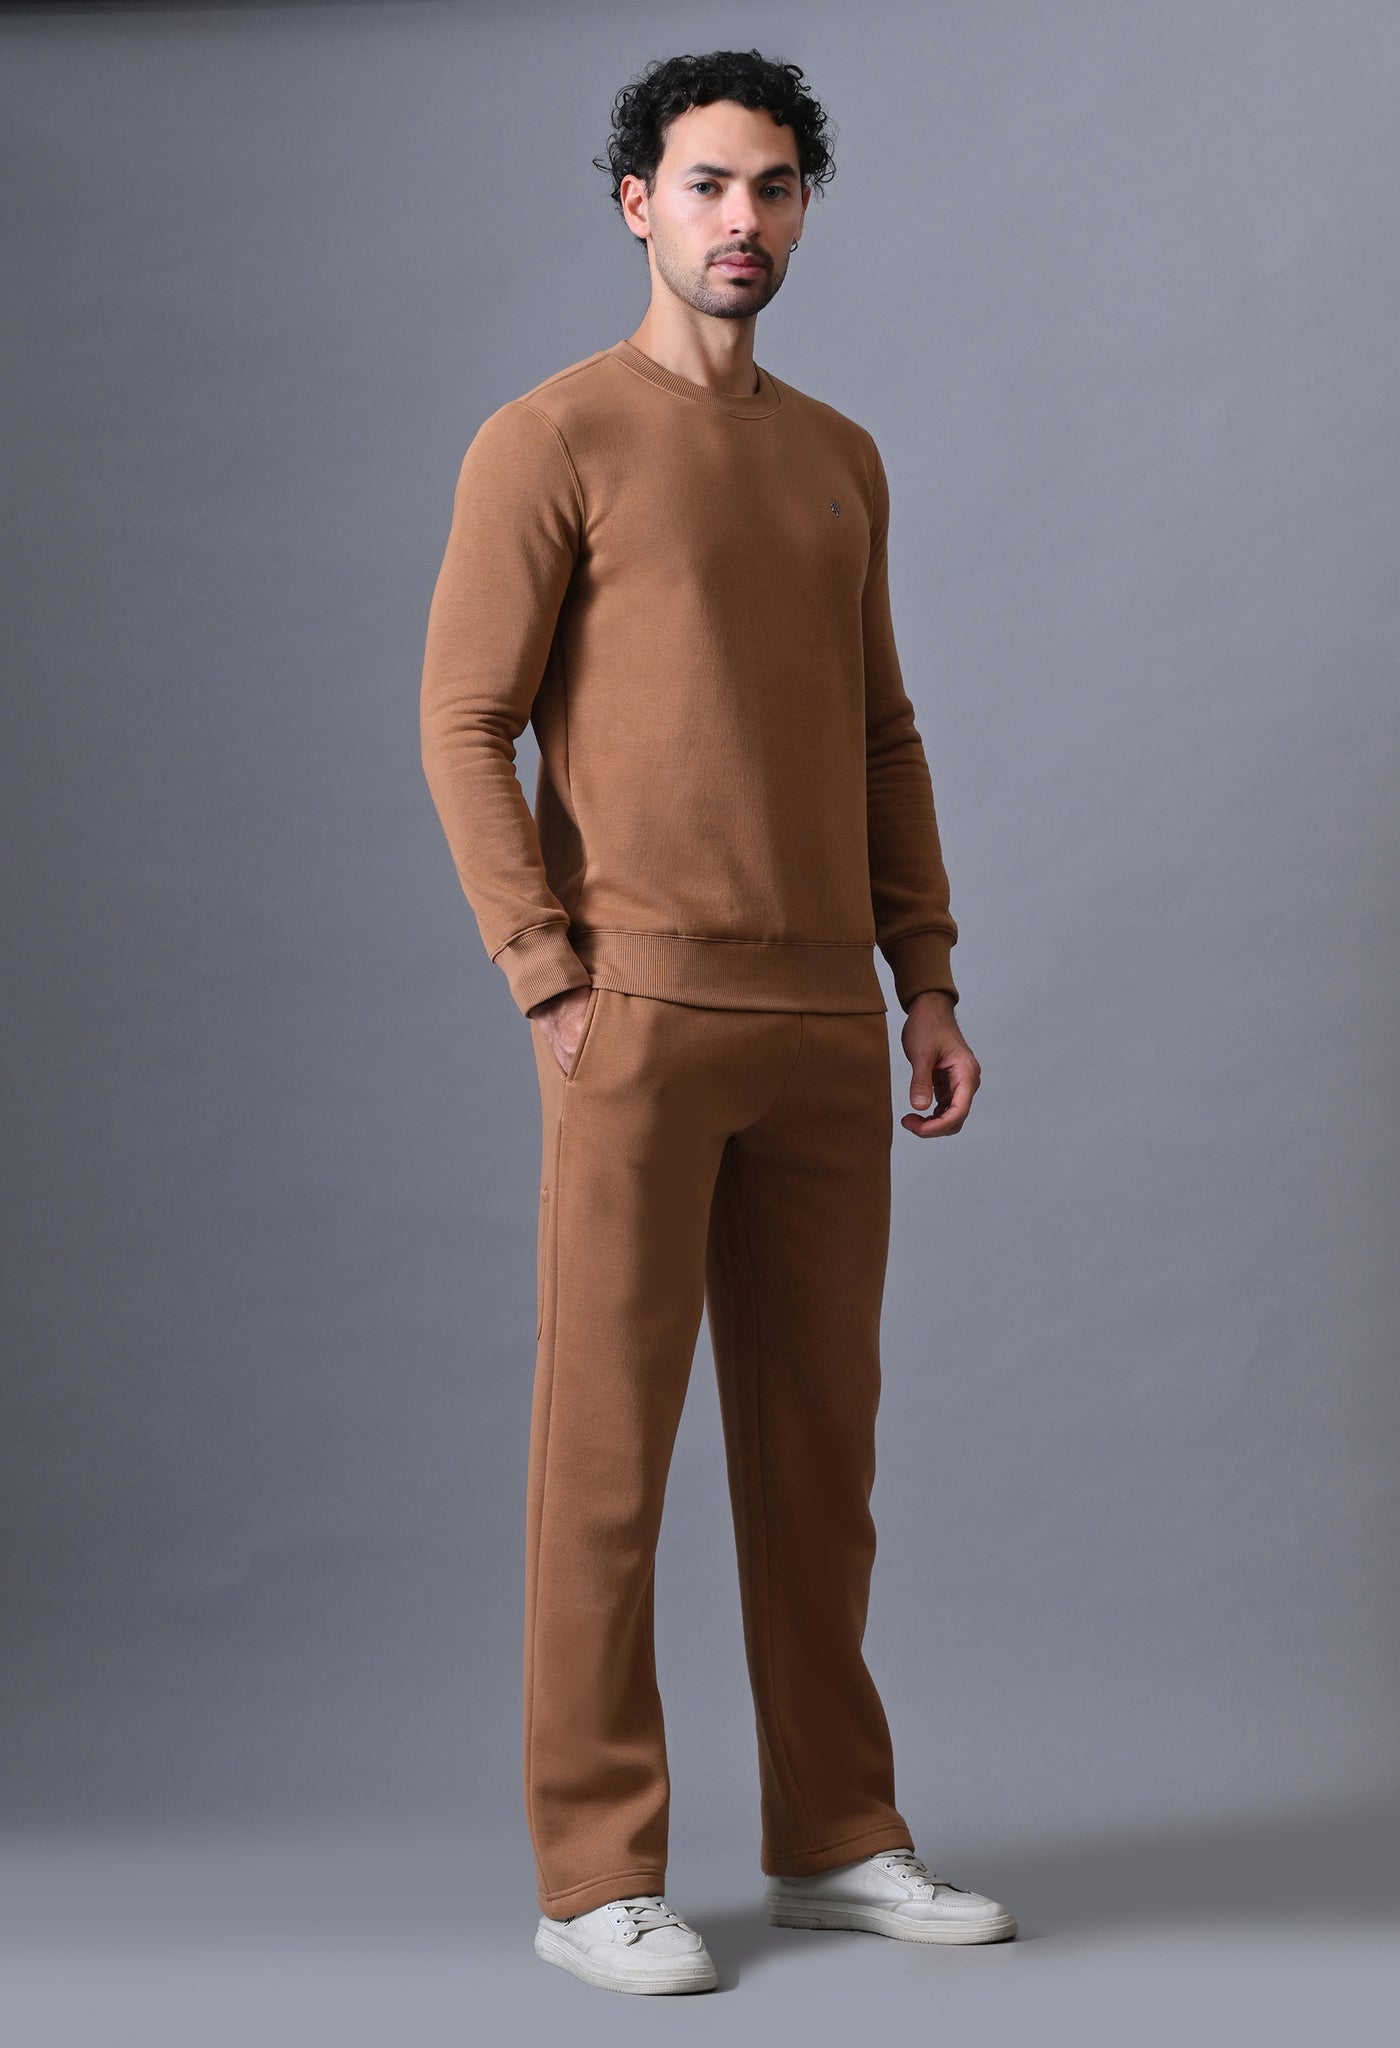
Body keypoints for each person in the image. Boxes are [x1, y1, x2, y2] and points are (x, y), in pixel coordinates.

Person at [419, 47, 1016, 1996]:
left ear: (802, 209)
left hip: (827, 1025)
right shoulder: (550, 437)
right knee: (604, 1466)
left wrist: (925, 978)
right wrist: (545, 969)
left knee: (817, 1462)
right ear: (635, 205)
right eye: (704, 184)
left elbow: (881, 731)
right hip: (639, 1019)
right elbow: (463, 720)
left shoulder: (840, 454)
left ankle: (837, 1837)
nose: (739, 219)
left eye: (771, 186)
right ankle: (594, 1872)